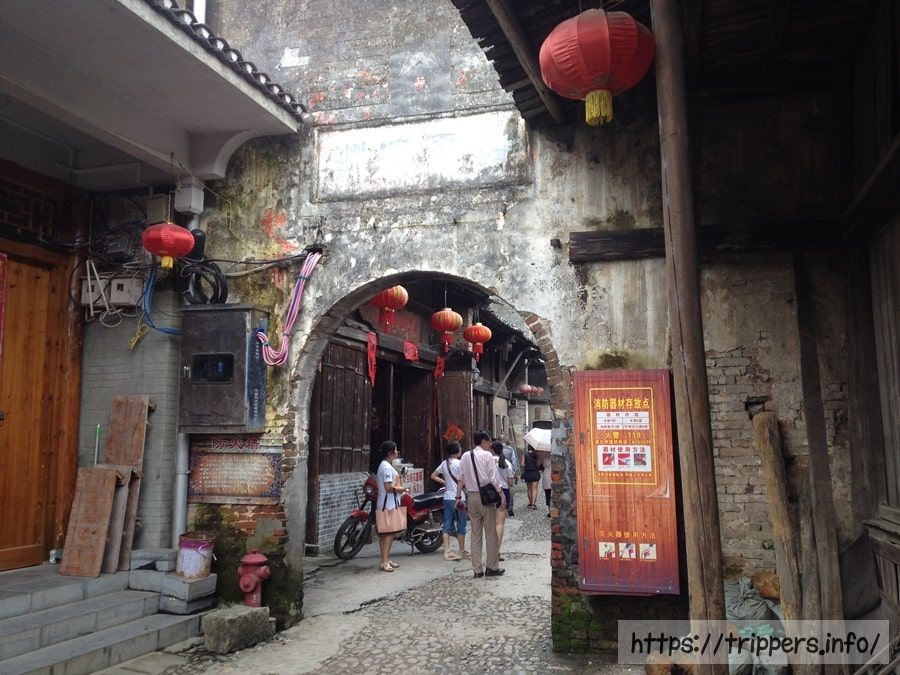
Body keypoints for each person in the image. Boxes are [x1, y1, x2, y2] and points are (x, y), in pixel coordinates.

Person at [456, 430, 505, 578]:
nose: (491, 444)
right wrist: (501, 495)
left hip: (471, 496)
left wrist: (458, 497)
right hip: (486, 497)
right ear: (483, 441)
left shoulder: (465, 456)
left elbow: (461, 478)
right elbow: (493, 478)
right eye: (489, 441)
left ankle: (477, 569)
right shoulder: (487, 456)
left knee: (475, 534)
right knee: (491, 533)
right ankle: (492, 567)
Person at [430, 441, 468, 561]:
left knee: (447, 523)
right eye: (460, 448)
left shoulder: (444, 463)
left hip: (447, 497)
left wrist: (444, 482)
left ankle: (447, 550)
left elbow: (433, 475)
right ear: (457, 451)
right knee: (461, 523)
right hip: (459, 498)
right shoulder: (460, 464)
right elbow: (463, 480)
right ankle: (461, 550)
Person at [374, 441, 407, 572]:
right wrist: (400, 489)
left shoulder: (384, 465)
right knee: (390, 532)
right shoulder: (387, 467)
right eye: (396, 450)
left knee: (384, 533)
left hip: (386, 503)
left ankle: (385, 559)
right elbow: (388, 487)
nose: (397, 452)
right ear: (390, 453)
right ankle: (384, 561)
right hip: (388, 504)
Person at [491, 441, 514, 559]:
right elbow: (510, 482)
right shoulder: (507, 463)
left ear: (492, 450)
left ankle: (490, 550)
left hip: (489, 493)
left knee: (490, 523)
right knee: (499, 523)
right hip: (503, 492)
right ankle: (496, 551)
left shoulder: (488, 461)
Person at [497, 435, 519, 516]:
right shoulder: (510, 449)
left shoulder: (496, 449)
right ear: (505, 440)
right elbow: (514, 461)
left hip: (497, 472)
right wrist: (515, 472)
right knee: (509, 489)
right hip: (508, 471)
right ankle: (510, 508)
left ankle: (498, 505)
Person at [522, 444, 541, 509]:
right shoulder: (537, 455)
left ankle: (530, 503)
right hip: (535, 472)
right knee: (534, 489)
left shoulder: (525, 454)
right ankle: (533, 504)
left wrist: (527, 465)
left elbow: (522, 464)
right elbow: (539, 463)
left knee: (529, 489)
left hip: (527, 473)